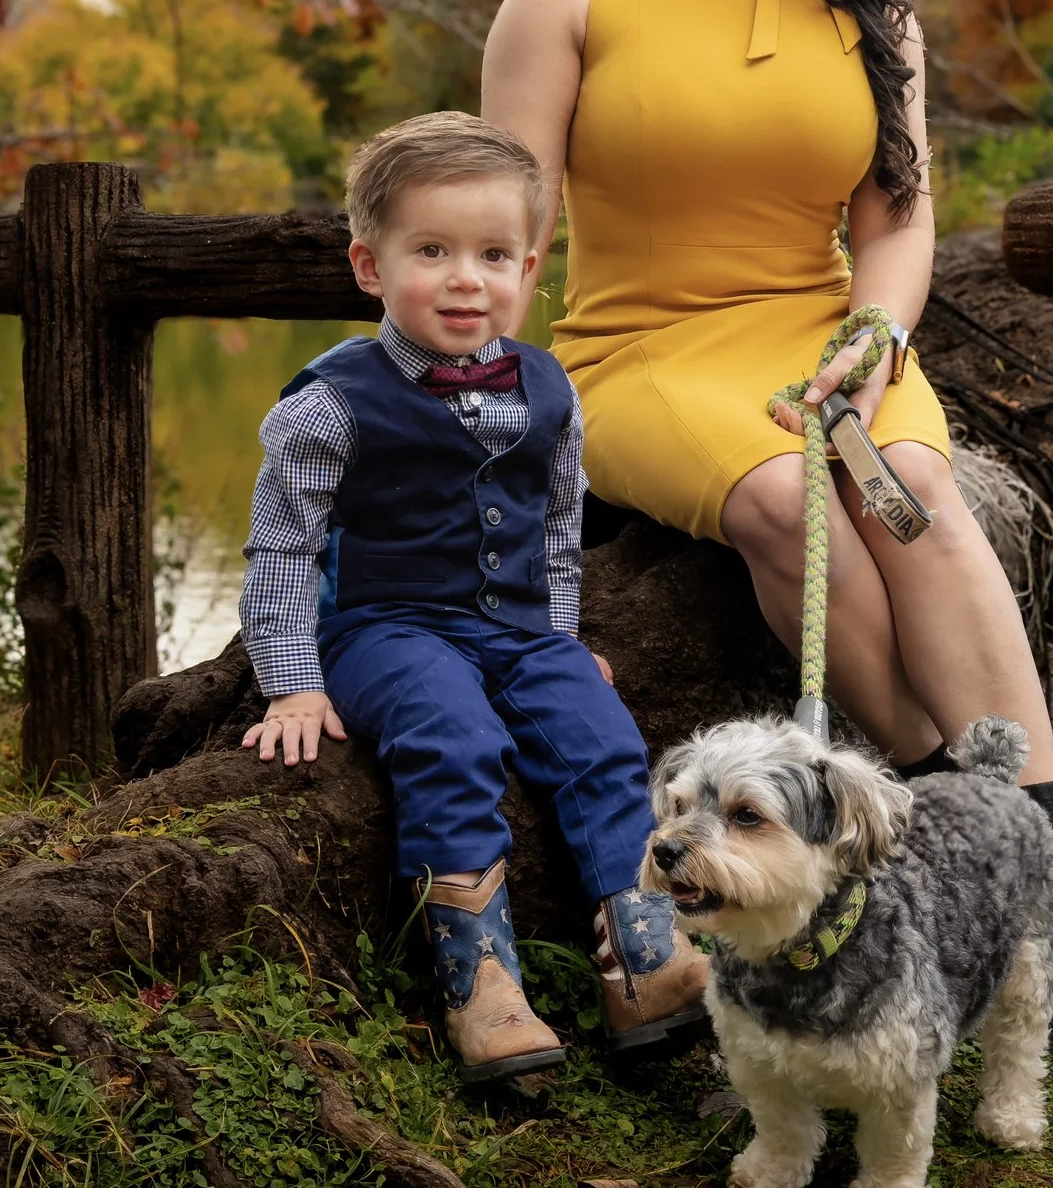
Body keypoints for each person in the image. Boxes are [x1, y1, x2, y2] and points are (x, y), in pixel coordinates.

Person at [480, 0, 1053, 1081]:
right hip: (642, 349)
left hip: (827, 331)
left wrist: (877, 335)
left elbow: (896, 220)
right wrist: (477, 413)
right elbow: (504, 223)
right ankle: (957, 828)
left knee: (920, 493)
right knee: (792, 503)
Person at [235, 112, 709, 1082]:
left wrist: (562, 638)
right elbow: (281, 548)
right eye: (432, 251)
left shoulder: (549, 388)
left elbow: (557, 533)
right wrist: (292, 683)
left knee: (603, 740)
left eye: (493, 255)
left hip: (517, 629)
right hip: (385, 628)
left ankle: (644, 957)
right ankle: (480, 980)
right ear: (370, 266)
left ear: (528, 269)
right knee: (453, 736)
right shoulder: (330, 402)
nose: (465, 278)